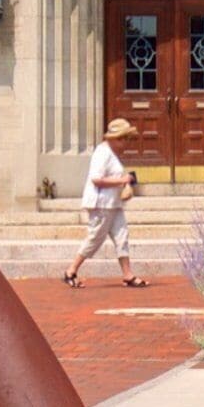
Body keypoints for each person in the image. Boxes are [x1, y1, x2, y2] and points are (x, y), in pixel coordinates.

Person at [68, 119, 143, 287]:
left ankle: (127, 274)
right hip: (101, 203)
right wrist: (122, 180)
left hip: (113, 203)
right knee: (95, 238)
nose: (125, 143)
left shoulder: (111, 153)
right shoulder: (102, 152)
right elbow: (96, 179)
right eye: (123, 138)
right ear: (115, 138)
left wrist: (125, 182)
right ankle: (71, 270)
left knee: (122, 236)